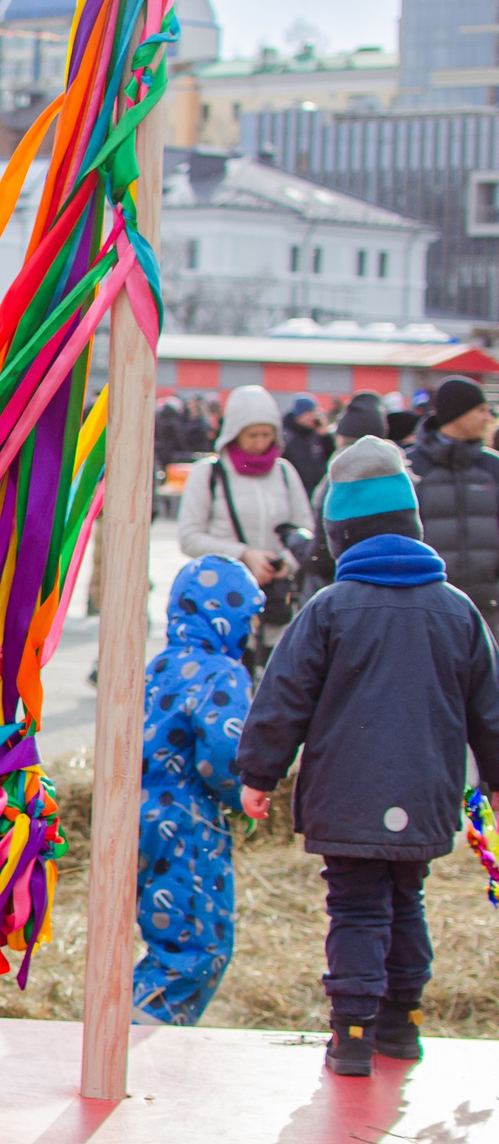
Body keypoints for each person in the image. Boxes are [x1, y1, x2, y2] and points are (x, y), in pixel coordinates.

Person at [237, 436, 499, 1076]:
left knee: (354, 906)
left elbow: (283, 696)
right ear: (414, 526)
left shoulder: (329, 609)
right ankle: (402, 1026)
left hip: (346, 795)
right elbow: (488, 707)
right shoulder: (457, 610)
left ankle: (351, 1034)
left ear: (340, 534)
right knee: (407, 900)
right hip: (425, 791)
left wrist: (258, 773)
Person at [131, 557, 259, 1026]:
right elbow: (221, 754)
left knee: (165, 934)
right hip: (188, 822)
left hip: (139, 816)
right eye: (247, 618)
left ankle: (127, 1020)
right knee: (198, 946)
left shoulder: (157, 665)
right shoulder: (222, 673)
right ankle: (137, 1031)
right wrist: (244, 791)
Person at [175, 385, 315, 661]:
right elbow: (189, 537)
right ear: (234, 433)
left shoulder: (285, 473)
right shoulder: (209, 473)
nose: (260, 442)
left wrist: (286, 561)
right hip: (221, 603)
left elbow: (306, 531)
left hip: (275, 606)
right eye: (252, 434)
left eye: (267, 434)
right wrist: (244, 556)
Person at [406, 377, 499, 632]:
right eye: (480, 410)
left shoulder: (493, 467)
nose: (488, 417)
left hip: (489, 609)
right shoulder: (412, 468)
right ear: (457, 414)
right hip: (427, 606)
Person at [279, 392, 330, 495]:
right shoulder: (287, 435)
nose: (314, 417)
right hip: (295, 492)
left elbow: (330, 458)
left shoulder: (317, 434)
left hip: (317, 492)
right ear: (299, 414)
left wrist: (326, 436)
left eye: (315, 412)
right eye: (310, 412)